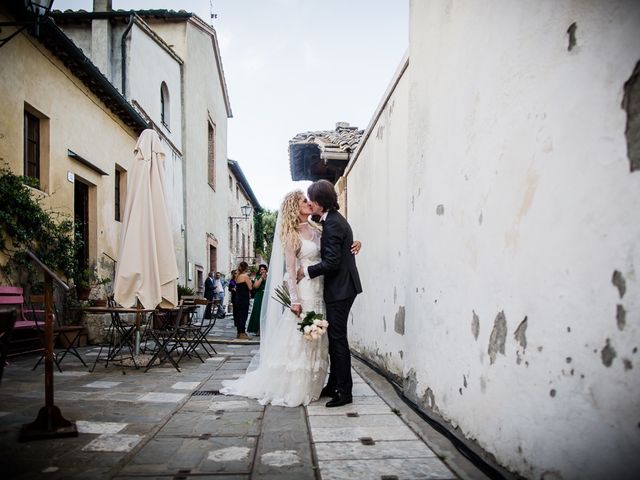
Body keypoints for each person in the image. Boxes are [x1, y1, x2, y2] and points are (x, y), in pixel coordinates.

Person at [220, 190, 329, 405]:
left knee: (318, 334)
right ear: (294, 208)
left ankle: (313, 383)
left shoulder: (317, 228)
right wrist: (295, 300)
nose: (309, 203)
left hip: (319, 287)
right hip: (304, 289)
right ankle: (296, 385)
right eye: (303, 201)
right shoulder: (291, 235)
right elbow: (290, 269)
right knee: (301, 335)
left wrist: (355, 244)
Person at [297, 179, 362, 408]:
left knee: (337, 340)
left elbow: (332, 262)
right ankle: (334, 384)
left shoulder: (333, 223)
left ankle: (344, 392)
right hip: (343, 287)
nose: (310, 203)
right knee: (335, 338)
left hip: (341, 290)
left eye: (312, 199)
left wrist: (305, 271)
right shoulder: (332, 220)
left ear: (320, 201)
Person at [232, 262, 252, 340]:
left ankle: (239, 333)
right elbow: (250, 287)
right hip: (244, 298)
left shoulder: (237, 276)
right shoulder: (245, 276)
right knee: (244, 315)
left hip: (237, 298)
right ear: (246, 268)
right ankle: (242, 333)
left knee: (239, 315)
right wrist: (250, 280)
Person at [247, 264, 268, 335]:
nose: (262, 271)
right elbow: (255, 286)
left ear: (266, 270)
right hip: (259, 296)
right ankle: (258, 329)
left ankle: (265, 329)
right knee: (258, 311)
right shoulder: (258, 277)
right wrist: (261, 278)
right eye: (261, 269)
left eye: (263, 269)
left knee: (266, 312)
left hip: (267, 296)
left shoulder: (269, 277)